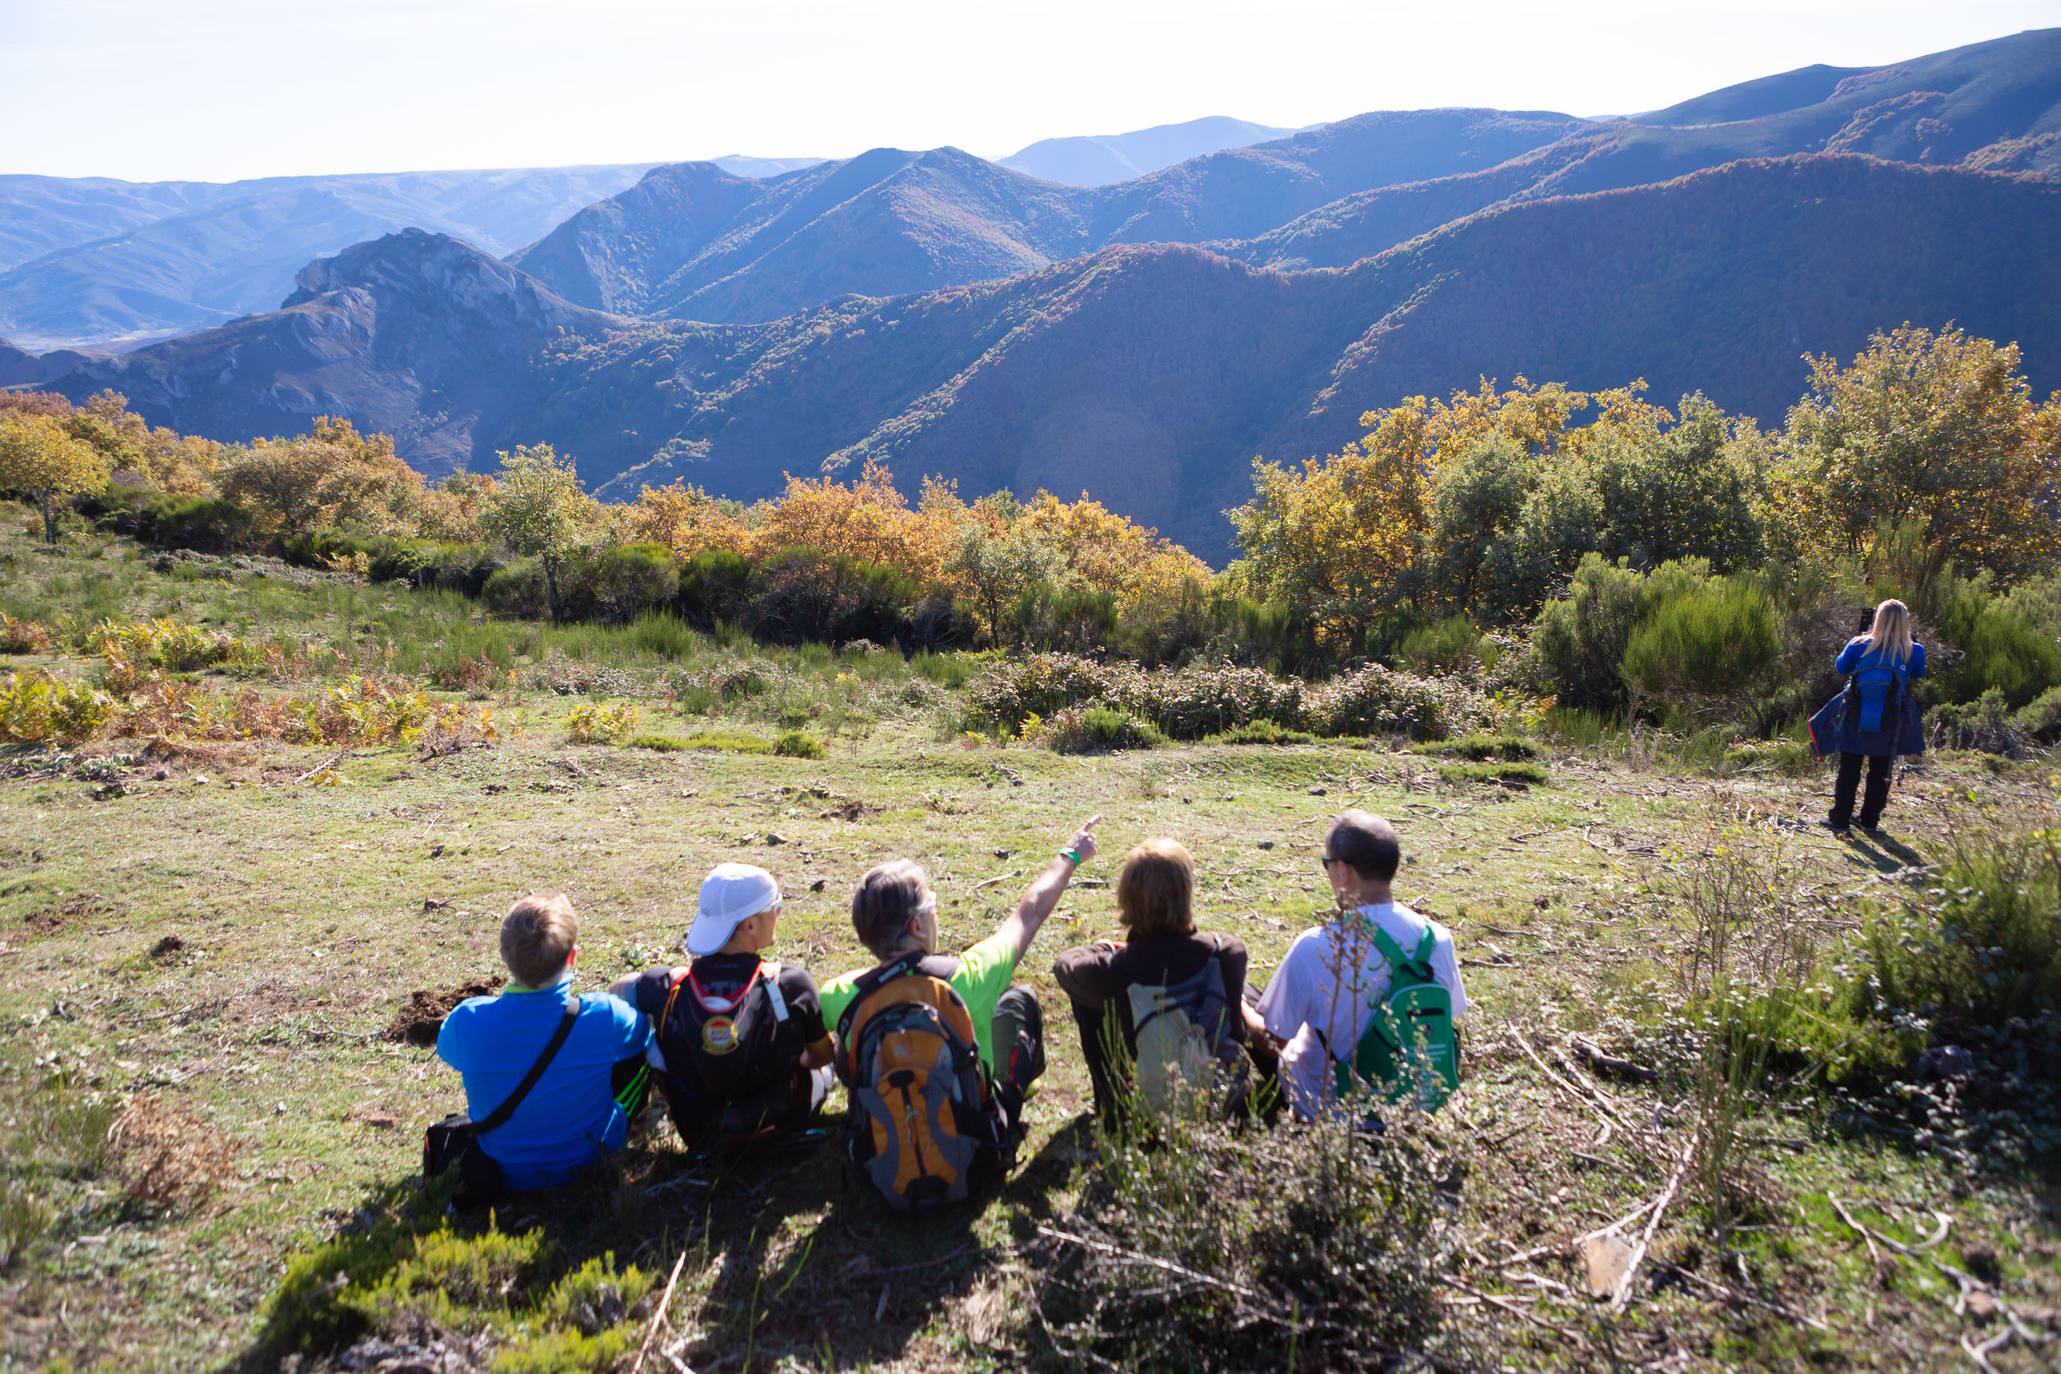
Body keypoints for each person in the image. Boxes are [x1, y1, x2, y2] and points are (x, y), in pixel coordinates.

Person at [819, 815, 1100, 1207]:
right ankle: (1014, 1095)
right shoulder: (972, 975)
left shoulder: (838, 997)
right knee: (1019, 1001)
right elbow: (1030, 912)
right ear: (916, 925)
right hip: (976, 1160)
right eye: (932, 905)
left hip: (879, 1172)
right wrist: (1071, 854)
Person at [1245, 811, 1467, 1119]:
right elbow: (1448, 1015)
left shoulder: (1316, 945)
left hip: (1334, 1116)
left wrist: (1235, 1003)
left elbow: (1274, 1039)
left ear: (1344, 870)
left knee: (1246, 997)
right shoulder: (1437, 939)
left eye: (1327, 863)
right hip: (1418, 1110)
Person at [612, 863, 835, 1157]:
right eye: (776, 907)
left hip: (699, 1131)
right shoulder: (792, 983)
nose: (779, 914)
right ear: (750, 925)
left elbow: (617, 992)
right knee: (832, 1055)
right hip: (780, 1120)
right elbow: (820, 1055)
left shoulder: (664, 987)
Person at [436, 893, 653, 1192]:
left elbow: (446, 1049)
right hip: (591, 1158)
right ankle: (639, 1129)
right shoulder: (606, 1015)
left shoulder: (468, 1021)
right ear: (572, 956)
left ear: (503, 954)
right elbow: (644, 1035)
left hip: (503, 1168)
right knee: (637, 1058)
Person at [1052, 838, 1250, 1123]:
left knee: (1088, 999)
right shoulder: (1228, 953)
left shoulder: (1115, 968)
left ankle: (1115, 1109)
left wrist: (1106, 948)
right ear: (1186, 893)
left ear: (1126, 899)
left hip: (1154, 1114)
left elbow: (1064, 966)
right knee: (1247, 996)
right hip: (1222, 1111)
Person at [1822, 598, 1926, 836]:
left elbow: (1841, 667)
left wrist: (1862, 638)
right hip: (1891, 720)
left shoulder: (1858, 644)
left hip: (1856, 715)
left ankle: (1839, 819)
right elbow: (1919, 673)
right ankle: (1869, 820)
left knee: (1849, 767)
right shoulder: (1913, 650)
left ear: (1877, 619)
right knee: (1880, 771)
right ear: (1905, 622)